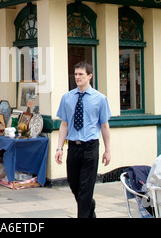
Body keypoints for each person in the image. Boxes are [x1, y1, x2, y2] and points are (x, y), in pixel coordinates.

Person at [55, 61, 111, 218]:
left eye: (81, 74)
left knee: (86, 188)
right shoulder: (67, 98)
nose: (77, 77)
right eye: (76, 74)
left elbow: (105, 126)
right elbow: (64, 125)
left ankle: (84, 211)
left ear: (90, 76)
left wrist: (108, 150)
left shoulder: (100, 99)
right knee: (74, 185)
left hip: (90, 147)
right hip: (73, 147)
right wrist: (59, 148)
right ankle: (90, 207)